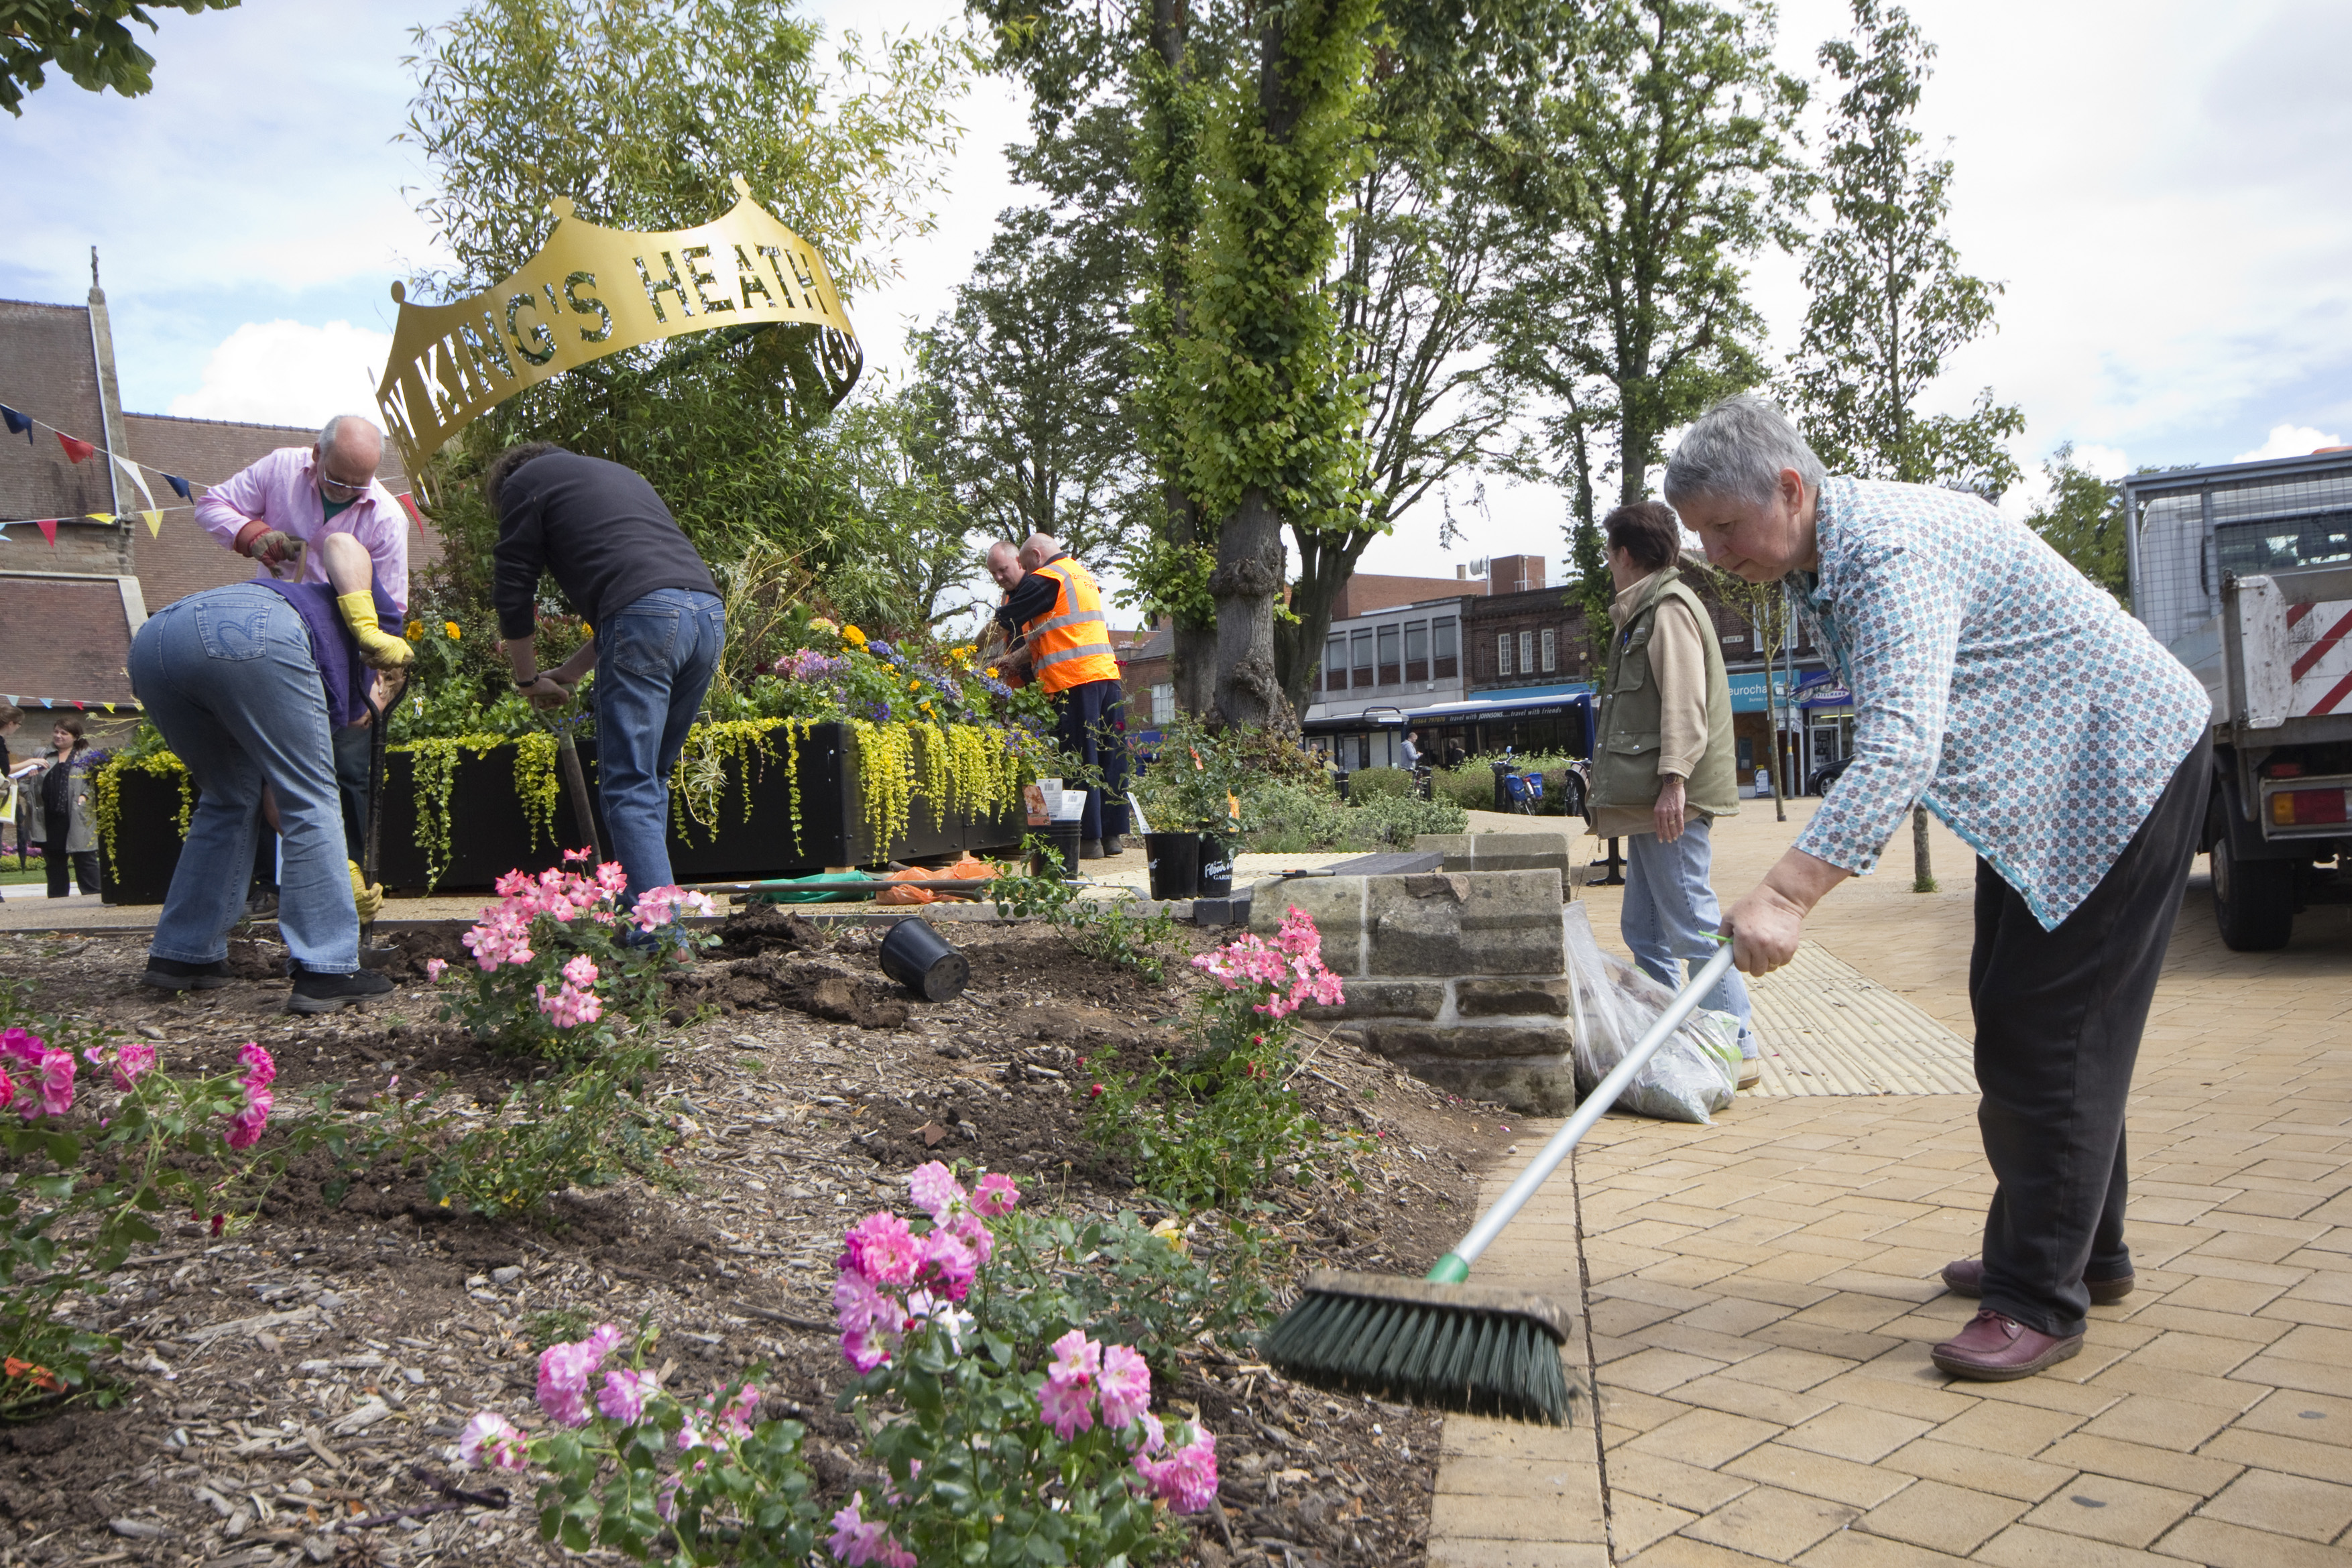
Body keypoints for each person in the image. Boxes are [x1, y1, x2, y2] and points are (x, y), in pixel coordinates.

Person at [1668, 395, 2211, 1382]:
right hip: (2051, 785)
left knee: (2047, 1030)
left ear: (1790, 488)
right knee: (2035, 1019)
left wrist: (1786, 893)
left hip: (2121, 767)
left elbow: (1898, 746)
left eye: (1724, 526)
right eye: (1699, 533)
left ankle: (2038, 1296)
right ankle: (2085, 1249)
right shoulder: (1822, 557)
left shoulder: (1888, 553)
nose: (1713, 553)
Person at [130, 532, 400, 1012]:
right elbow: (341, 543)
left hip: (155, 643)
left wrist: (342, 874)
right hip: (250, 628)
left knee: (229, 796)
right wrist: (370, 626)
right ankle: (327, 969)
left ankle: (184, 955)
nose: (367, 719)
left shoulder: (322, 681)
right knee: (312, 796)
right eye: (381, 704)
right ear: (384, 678)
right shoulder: (381, 634)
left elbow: (277, 799)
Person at [483, 443, 723, 914]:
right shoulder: (618, 474)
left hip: (647, 616)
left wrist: (527, 679)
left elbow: (514, 588)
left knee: (630, 784)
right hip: (708, 615)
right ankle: (648, 915)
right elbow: (648, 599)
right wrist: (571, 672)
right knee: (650, 778)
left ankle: (660, 936)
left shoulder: (524, 483)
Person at [1586, 501, 1757, 1086]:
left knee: (1691, 926)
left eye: (1609, 554)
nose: (1609, 564)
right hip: (1653, 801)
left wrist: (1674, 782)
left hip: (1669, 802)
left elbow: (1685, 703)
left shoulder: (1668, 609)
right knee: (1646, 931)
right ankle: (1671, 1036)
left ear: (1624, 554)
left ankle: (1739, 1043)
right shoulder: (1645, 610)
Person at [195, 414, 412, 869]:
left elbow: (391, 608)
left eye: (359, 484)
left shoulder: (388, 518)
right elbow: (211, 504)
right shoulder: (280, 468)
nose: (347, 491)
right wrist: (251, 534)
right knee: (260, 766)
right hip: (274, 640)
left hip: (345, 652)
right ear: (316, 454)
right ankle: (266, 886)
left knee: (349, 768)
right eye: (337, 480)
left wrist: (378, 687)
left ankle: (353, 881)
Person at [994, 532, 1128, 857]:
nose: (1027, 575)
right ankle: (1112, 837)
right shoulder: (1080, 576)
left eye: (1023, 567)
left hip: (1073, 680)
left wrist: (979, 648)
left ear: (1036, 557)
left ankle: (1088, 840)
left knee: (1080, 758)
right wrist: (1008, 662)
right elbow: (1052, 635)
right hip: (1106, 676)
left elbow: (1006, 620)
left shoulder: (1047, 577)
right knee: (1110, 756)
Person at [17, 715, 101, 898]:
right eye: (56, 731)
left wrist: (86, 796)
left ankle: (94, 899)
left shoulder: (87, 756)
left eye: (64, 733)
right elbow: (23, 779)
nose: (58, 736)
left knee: (85, 860)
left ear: (75, 736)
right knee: (54, 864)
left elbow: (97, 781)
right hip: (49, 818)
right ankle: (57, 904)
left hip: (76, 816)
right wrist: (29, 795)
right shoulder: (42, 754)